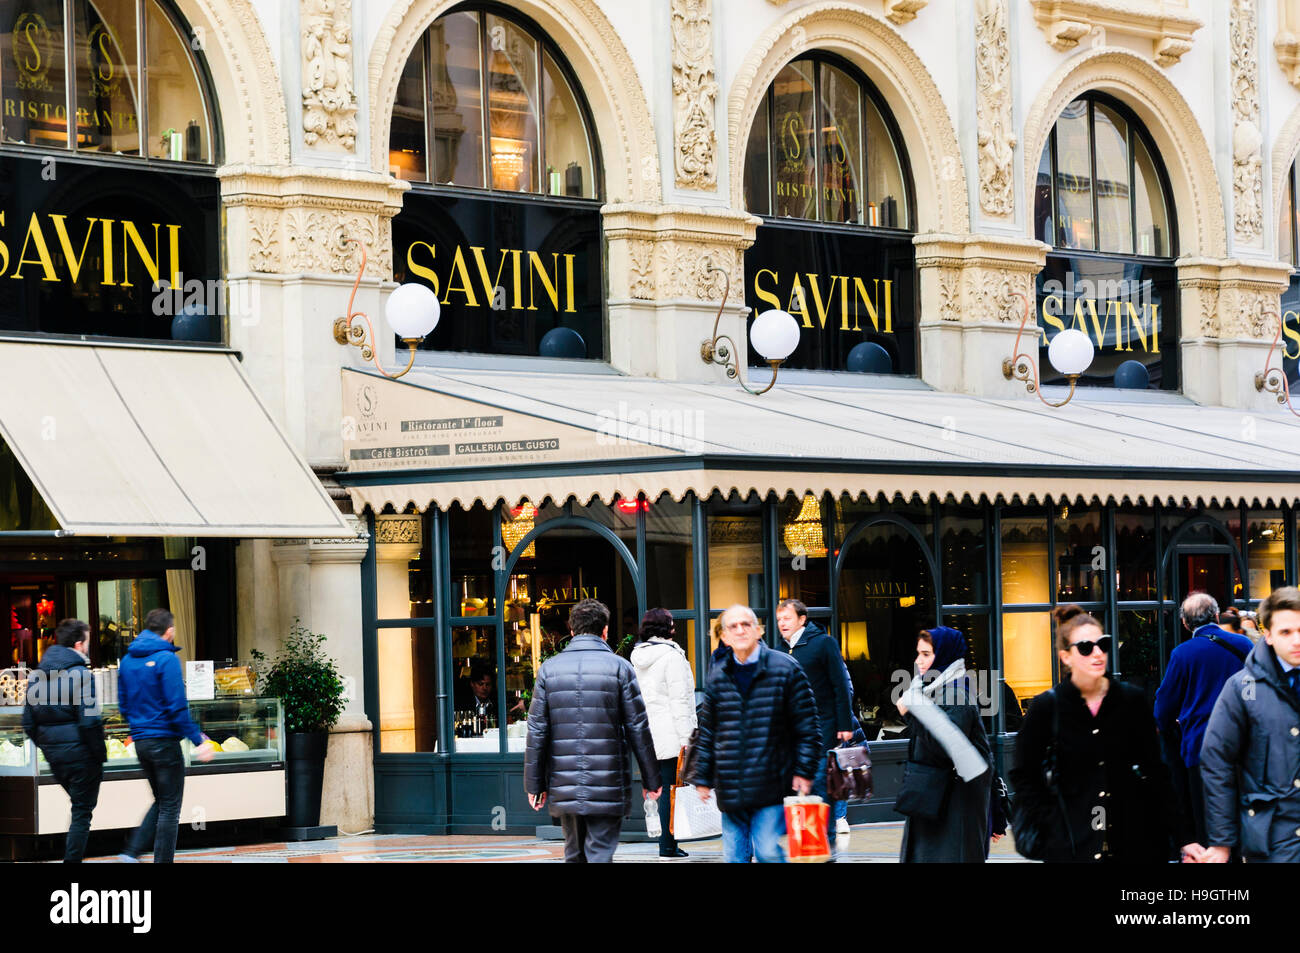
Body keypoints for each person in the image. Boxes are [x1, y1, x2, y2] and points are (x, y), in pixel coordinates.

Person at [1010, 605, 1202, 863]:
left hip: (1135, 841)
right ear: (1066, 657)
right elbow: (1024, 774)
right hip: (1073, 845)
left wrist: (1184, 838)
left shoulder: (1131, 700)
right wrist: (1051, 825)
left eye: (1103, 644)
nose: (1097, 653)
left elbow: (1157, 772)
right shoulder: (1047, 707)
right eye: (1085, 648)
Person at [524, 599, 661, 863]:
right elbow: (638, 728)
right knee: (600, 852)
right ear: (605, 630)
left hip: (564, 784)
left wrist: (534, 784)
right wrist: (651, 780)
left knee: (574, 853)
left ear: (571, 629)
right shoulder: (620, 668)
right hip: (608, 783)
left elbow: (537, 731)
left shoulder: (549, 670)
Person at [686, 604, 820, 863]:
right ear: (724, 636)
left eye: (746, 624)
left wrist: (804, 770)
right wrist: (702, 777)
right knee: (734, 857)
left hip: (771, 782)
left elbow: (807, 725)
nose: (740, 630)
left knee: (767, 851)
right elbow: (708, 731)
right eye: (733, 626)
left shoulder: (785, 668)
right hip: (731, 785)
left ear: (758, 631)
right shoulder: (718, 675)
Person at [1200, 586, 1300, 862]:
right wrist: (1221, 841)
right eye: (1286, 632)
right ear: (1268, 635)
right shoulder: (1242, 688)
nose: (1296, 640)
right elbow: (1216, 760)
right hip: (1272, 840)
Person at [1154, 592, 1252, 846]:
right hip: (1242, 747)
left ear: (1185, 623)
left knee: (1207, 827)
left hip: (1200, 747)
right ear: (1217, 616)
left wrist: (1170, 730)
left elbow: (1163, 708)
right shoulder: (1244, 645)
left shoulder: (1182, 654)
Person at [117, 608, 214, 863]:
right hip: (164, 743)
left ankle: (130, 852)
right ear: (169, 631)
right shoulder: (166, 659)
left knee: (162, 800)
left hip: (141, 743)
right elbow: (177, 706)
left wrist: (139, 729)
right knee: (170, 806)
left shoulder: (127, 661)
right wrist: (198, 740)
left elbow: (123, 705)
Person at [895, 626, 992, 862]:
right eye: (918, 653)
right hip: (933, 799)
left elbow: (944, 748)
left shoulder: (957, 695)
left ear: (945, 655)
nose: (918, 661)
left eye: (926, 654)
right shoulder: (930, 690)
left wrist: (911, 714)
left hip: (953, 804)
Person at [21, 619, 105, 862]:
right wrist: (100, 754)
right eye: (87, 641)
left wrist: (49, 748)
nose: (88, 646)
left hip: (56, 760)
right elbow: (90, 722)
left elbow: (28, 723)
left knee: (79, 807)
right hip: (83, 759)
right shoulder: (82, 675)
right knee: (82, 812)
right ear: (79, 644)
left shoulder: (37, 676)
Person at [775, 599, 853, 851]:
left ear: (802, 619)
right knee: (799, 787)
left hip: (823, 728)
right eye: (779, 619)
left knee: (819, 784)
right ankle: (807, 842)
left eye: (787, 618)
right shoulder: (778, 649)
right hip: (791, 734)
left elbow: (840, 685)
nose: (782, 623)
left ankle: (824, 841)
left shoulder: (823, 643)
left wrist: (845, 724)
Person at [630, 608, 697, 860]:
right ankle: (668, 846)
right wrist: (687, 740)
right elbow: (680, 702)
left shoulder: (638, 657)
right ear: (666, 628)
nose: (674, 627)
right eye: (671, 624)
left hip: (649, 734)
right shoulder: (672, 657)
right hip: (671, 734)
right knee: (672, 791)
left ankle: (668, 843)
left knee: (660, 788)